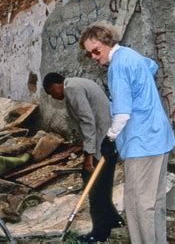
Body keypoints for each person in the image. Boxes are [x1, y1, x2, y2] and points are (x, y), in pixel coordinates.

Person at [79, 21, 175, 244]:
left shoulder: (118, 67)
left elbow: (122, 113)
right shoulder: (131, 55)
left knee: (139, 204)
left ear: (107, 42)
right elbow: (152, 66)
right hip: (157, 137)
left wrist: (110, 138)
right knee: (154, 200)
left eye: (96, 50)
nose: (94, 57)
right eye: (89, 54)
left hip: (142, 142)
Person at [43, 73, 124, 242]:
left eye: (51, 92)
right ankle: (114, 220)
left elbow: (88, 121)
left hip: (102, 143)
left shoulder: (71, 88)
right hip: (106, 140)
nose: (53, 97)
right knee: (103, 184)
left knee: (94, 187)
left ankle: (99, 233)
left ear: (57, 84)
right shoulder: (78, 84)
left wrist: (88, 155)